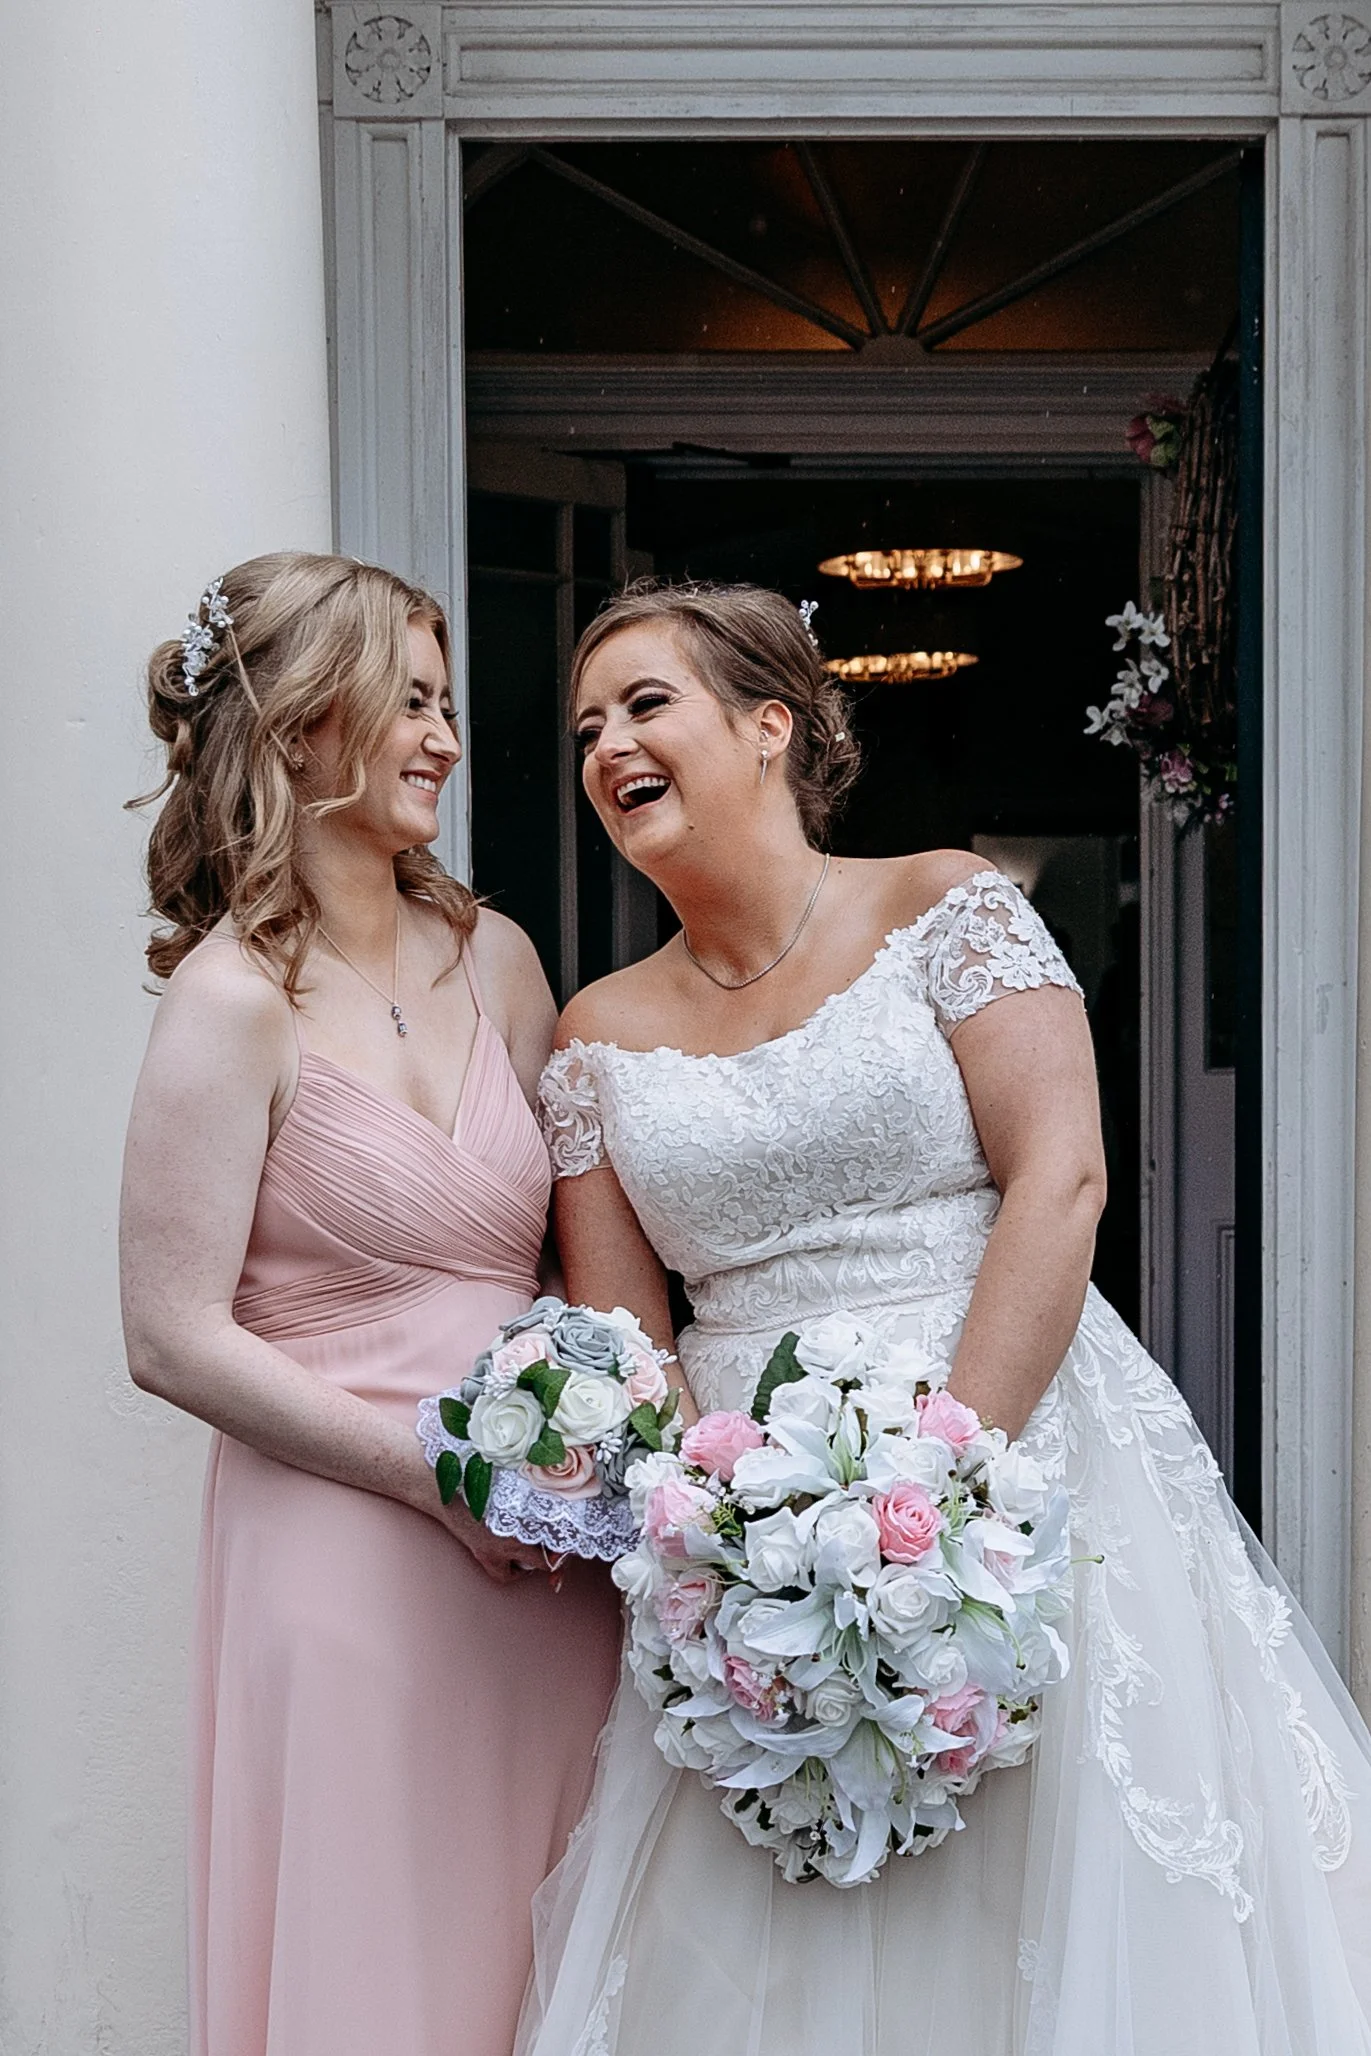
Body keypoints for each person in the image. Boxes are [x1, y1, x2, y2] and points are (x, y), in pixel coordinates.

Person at [523, 579, 1371, 2056]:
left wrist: (933, 1478)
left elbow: (1061, 1179)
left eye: (645, 705)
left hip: (1017, 1458)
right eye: (587, 726)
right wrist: (714, 1550)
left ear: (769, 725)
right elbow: (622, 1339)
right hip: (745, 1532)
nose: (607, 748)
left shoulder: (944, 906)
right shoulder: (594, 1033)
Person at [119, 553, 621, 2056]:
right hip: (347, 1542)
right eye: (409, 700)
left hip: (542, 1562)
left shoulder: (500, 959)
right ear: (297, 723)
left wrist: (583, 1466)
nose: (446, 738)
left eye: (447, 702)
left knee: (561, 1945)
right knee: (381, 1956)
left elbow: (562, 1269)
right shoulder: (231, 997)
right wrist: (437, 1479)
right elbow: (168, 1334)